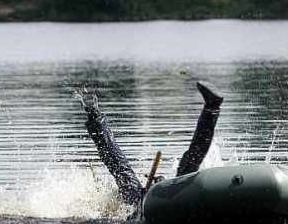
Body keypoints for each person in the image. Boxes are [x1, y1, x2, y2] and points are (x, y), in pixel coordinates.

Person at [76, 80, 224, 207]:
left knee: (121, 169)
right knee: (189, 165)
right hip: (164, 198)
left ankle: (94, 114)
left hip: (148, 202)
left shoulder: (135, 206)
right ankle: (212, 108)